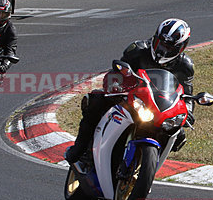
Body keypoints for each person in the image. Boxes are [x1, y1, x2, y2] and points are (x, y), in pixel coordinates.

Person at [64, 18, 194, 164]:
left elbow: (186, 95)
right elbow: (115, 72)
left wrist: (187, 112)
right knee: (96, 101)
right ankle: (80, 147)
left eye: (170, 47)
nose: (163, 50)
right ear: (155, 38)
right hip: (128, 97)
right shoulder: (137, 49)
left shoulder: (185, 66)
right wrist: (115, 87)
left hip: (157, 108)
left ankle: (148, 164)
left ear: (181, 47)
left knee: (178, 134)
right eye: (161, 43)